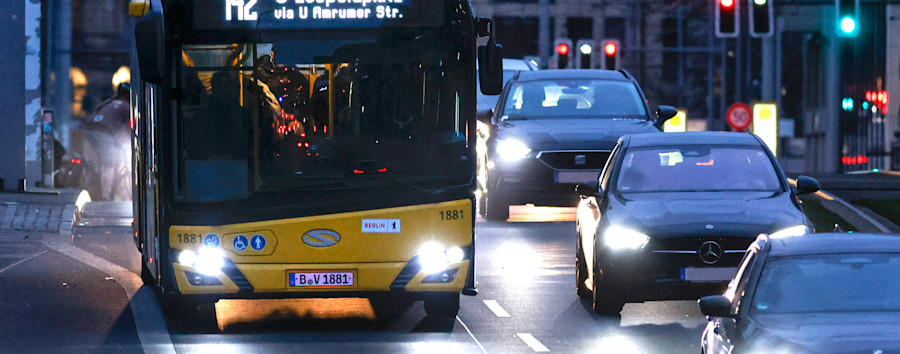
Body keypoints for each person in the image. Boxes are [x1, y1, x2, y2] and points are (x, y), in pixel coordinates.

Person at [82, 83, 131, 200]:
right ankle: (105, 195)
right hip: (104, 133)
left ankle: (96, 174)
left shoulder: (110, 103)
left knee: (103, 157)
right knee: (108, 164)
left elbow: (99, 111)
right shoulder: (126, 106)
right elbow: (130, 128)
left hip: (90, 130)